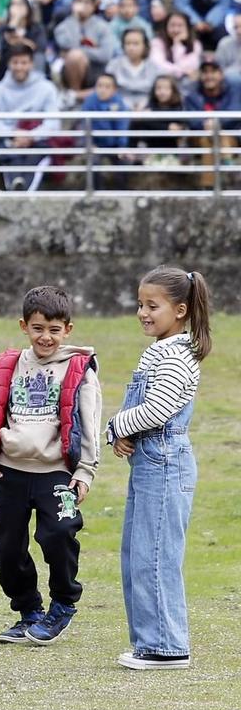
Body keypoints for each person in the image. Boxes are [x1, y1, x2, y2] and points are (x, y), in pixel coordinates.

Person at [0, 283, 101, 649]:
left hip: (56, 473)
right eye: (37, 328)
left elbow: (89, 422)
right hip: (11, 472)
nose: (45, 337)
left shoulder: (80, 370)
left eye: (54, 329)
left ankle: (63, 603)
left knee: (58, 534)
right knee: (7, 547)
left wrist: (85, 472)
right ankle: (29, 611)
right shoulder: (9, 365)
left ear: (68, 330)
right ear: (23, 326)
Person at [107, 264, 211, 670]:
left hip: (165, 462)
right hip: (150, 462)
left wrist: (116, 425)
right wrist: (122, 432)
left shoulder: (177, 354)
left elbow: (159, 409)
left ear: (180, 310)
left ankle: (167, 645)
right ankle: (149, 642)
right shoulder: (161, 350)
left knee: (155, 556)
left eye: (153, 306)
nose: (143, 313)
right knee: (137, 553)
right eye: (140, 304)